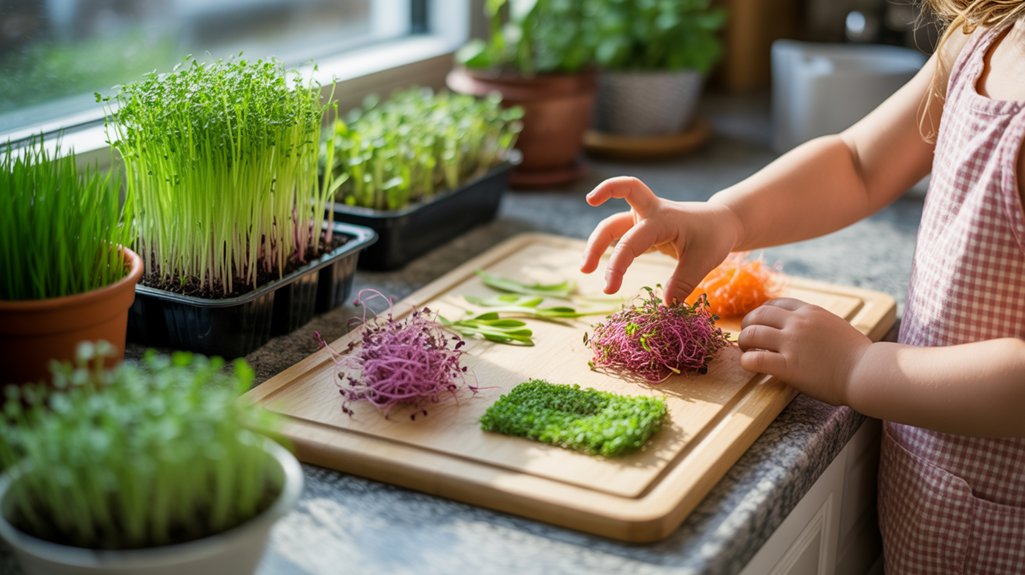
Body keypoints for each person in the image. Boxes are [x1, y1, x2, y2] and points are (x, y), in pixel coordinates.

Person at [579, 1, 1025, 572]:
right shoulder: (983, 37)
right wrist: (726, 218)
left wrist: (859, 370)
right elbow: (859, 163)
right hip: (941, 499)